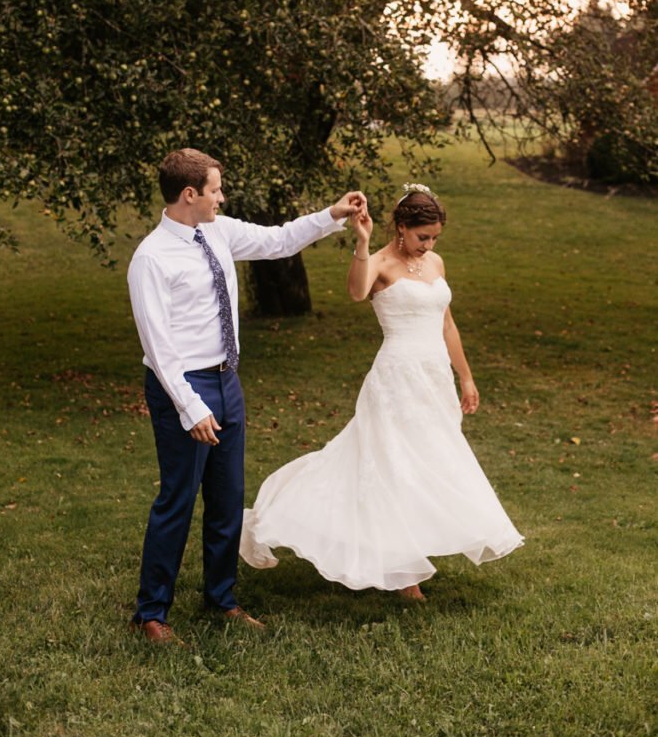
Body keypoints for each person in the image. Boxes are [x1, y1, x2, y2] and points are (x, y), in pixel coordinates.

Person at [127, 147, 365, 643]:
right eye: (215, 189)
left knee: (227, 496)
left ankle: (222, 599)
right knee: (177, 498)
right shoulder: (151, 258)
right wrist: (190, 407)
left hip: (226, 380)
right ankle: (152, 613)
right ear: (189, 194)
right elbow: (159, 345)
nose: (222, 196)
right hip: (182, 386)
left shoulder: (216, 230)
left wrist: (332, 215)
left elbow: (278, 240)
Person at [241, 183, 523, 600]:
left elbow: (446, 324)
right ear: (401, 228)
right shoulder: (379, 263)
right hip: (396, 380)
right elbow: (357, 292)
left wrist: (465, 376)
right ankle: (405, 575)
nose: (428, 245)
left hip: (434, 378)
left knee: (431, 463)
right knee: (394, 466)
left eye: (434, 238)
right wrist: (362, 241)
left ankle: (414, 550)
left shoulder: (436, 263)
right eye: (422, 236)